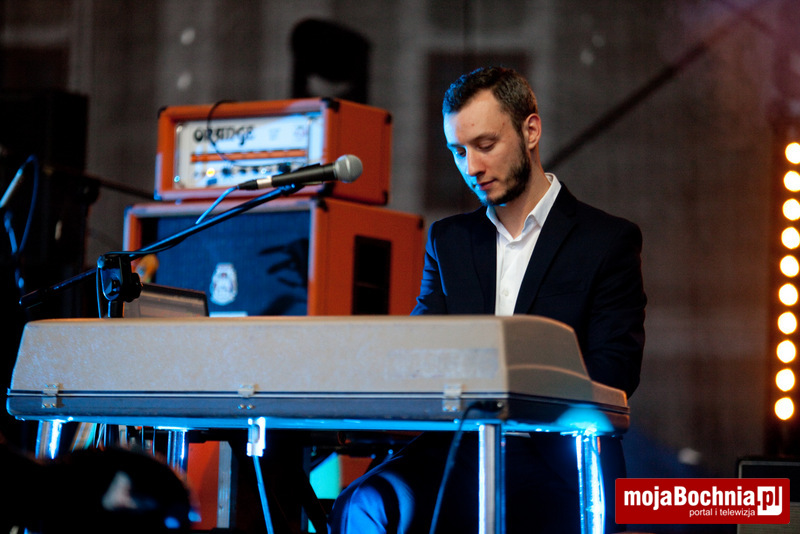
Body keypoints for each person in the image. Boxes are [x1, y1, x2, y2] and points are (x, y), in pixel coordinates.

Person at [328, 66, 646, 533]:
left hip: (553, 455)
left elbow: (615, 370)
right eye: (458, 151)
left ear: (530, 131)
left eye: (485, 145)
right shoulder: (449, 240)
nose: (471, 167)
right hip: (456, 452)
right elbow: (418, 353)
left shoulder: (606, 240)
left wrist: (512, 392)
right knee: (365, 503)